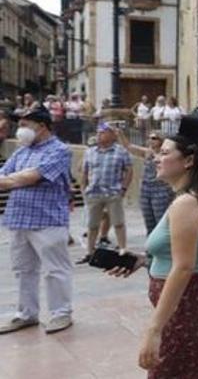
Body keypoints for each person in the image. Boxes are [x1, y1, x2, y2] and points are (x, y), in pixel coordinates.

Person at [106, 134, 198, 377]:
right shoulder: (190, 200)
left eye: (164, 153)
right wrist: (144, 261)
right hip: (191, 303)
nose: (156, 159)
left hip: (187, 306)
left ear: (188, 161)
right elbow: (183, 256)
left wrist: (154, 329)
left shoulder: (187, 204)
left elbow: (184, 267)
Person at [0, 107, 75, 335]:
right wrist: (16, 179)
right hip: (19, 218)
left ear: (41, 126)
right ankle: (26, 314)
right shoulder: (21, 152)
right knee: (23, 270)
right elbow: (5, 177)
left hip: (48, 219)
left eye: (25, 124)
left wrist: (16, 179)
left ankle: (61, 313)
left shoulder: (60, 150)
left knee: (55, 269)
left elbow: (33, 176)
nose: (20, 129)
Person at [78, 124, 133, 263]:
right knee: (92, 225)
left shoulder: (120, 151)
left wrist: (123, 188)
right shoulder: (90, 152)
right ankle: (90, 252)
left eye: (102, 133)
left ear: (111, 135)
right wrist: (84, 189)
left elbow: (129, 170)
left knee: (118, 222)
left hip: (113, 192)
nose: (98, 135)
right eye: (98, 133)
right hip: (94, 192)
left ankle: (122, 248)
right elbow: (84, 171)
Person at [126, 132, 176, 236]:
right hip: (146, 189)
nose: (150, 140)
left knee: (161, 221)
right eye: (149, 138)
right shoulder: (147, 152)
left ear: (161, 140)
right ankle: (151, 248)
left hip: (161, 190)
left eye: (154, 138)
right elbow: (128, 146)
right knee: (149, 221)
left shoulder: (166, 155)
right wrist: (119, 134)